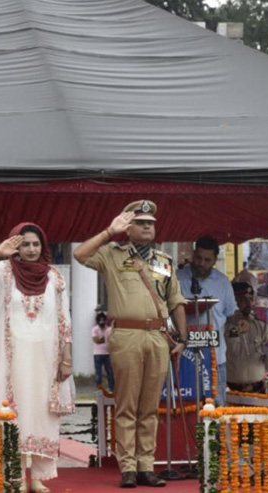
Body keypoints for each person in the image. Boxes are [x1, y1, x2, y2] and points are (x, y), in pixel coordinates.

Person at [74, 200, 187, 489]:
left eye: (150, 223)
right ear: (129, 226)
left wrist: (183, 339)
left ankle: (145, 467)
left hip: (158, 337)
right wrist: (108, 232)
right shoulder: (113, 254)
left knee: (149, 406)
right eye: (140, 222)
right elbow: (79, 253)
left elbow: (176, 301)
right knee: (126, 405)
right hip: (127, 334)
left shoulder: (163, 261)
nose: (147, 227)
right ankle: (127, 468)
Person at [0, 223, 75, 493]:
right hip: (10, 359)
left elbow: (64, 320)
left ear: (43, 246)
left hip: (45, 359)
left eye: (35, 244)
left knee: (40, 414)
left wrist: (66, 358)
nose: (30, 249)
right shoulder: (2, 272)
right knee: (11, 412)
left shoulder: (54, 277)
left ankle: (36, 478)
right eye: (24, 244)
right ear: (16, 246)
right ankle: (13, 475)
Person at [176, 236, 237, 406]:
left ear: (214, 261)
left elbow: (232, 313)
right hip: (185, 356)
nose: (201, 263)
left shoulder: (223, 282)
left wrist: (238, 324)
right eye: (198, 258)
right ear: (193, 254)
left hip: (215, 358)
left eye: (207, 260)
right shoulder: (177, 278)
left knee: (217, 408)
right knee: (187, 405)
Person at [224, 282, 268, 393]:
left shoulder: (261, 326)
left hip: (258, 389)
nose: (249, 303)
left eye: (250, 299)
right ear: (233, 300)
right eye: (244, 299)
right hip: (231, 389)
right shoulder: (224, 326)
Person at [91, 312, 114, 392]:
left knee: (110, 372)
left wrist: (102, 338)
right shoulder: (95, 329)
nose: (102, 322)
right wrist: (105, 338)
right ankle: (99, 389)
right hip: (97, 354)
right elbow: (96, 340)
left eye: (103, 320)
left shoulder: (108, 329)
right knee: (98, 373)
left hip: (107, 353)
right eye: (100, 320)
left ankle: (112, 389)